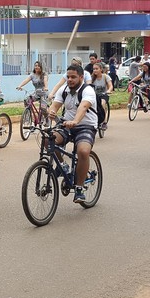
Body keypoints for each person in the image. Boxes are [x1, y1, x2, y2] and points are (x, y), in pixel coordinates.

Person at [48, 64, 97, 204]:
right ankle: (63, 165)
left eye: (73, 77)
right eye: (68, 77)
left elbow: (84, 107)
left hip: (85, 126)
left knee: (83, 151)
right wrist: (51, 112)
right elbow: (55, 106)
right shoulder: (63, 90)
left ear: (81, 77)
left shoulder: (88, 91)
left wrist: (75, 121)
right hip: (66, 125)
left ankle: (79, 188)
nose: (70, 80)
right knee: (48, 139)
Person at [91, 62, 113, 130]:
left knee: (102, 103)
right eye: (94, 69)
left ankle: (104, 122)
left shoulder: (105, 76)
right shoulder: (91, 78)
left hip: (104, 95)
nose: (95, 70)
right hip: (94, 96)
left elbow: (110, 86)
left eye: (96, 69)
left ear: (101, 69)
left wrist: (108, 90)